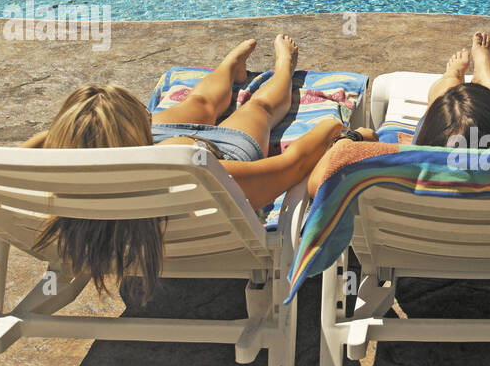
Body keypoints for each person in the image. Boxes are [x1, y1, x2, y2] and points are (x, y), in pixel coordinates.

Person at [18, 34, 371, 301]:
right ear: (134, 132)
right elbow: (292, 165)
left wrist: (79, 133)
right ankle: (284, 68)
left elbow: (30, 148)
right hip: (208, 150)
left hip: (151, 143)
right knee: (258, 107)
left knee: (201, 102)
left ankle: (229, 68)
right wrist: (335, 131)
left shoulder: (57, 172)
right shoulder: (207, 176)